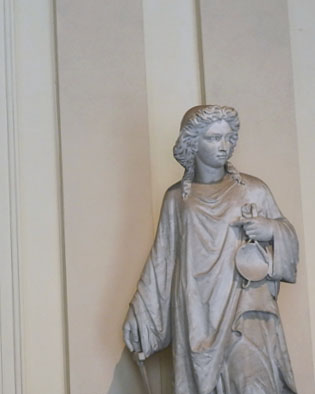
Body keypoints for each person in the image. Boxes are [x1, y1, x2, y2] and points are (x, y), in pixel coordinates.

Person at [124, 105, 297, 393]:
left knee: (254, 383)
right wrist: (140, 315)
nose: (224, 146)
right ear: (192, 142)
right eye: (214, 138)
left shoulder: (253, 190)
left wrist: (269, 229)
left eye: (229, 138)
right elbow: (162, 262)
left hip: (246, 307)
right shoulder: (177, 199)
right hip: (196, 311)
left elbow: (287, 236)